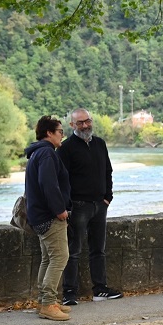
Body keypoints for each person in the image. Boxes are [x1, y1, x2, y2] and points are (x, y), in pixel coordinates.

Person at [57, 108, 123, 305]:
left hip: (99, 205)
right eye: (80, 123)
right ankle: (69, 292)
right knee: (73, 250)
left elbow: (108, 171)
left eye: (87, 121)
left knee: (98, 249)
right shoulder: (66, 148)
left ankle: (100, 290)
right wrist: (67, 205)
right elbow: (62, 180)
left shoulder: (100, 144)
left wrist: (107, 197)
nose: (85, 125)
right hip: (78, 206)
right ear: (72, 125)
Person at [25, 116, 73, 321]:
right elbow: (48, 184)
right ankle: (48, 304)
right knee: (60, 257)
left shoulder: (38, 152)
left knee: (48, 258)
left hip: (38, 215)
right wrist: (60, 210)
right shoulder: (46, 153)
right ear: (49, 133)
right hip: (49, 216)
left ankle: (45, 300)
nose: (62, 134)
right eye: (60, 131)